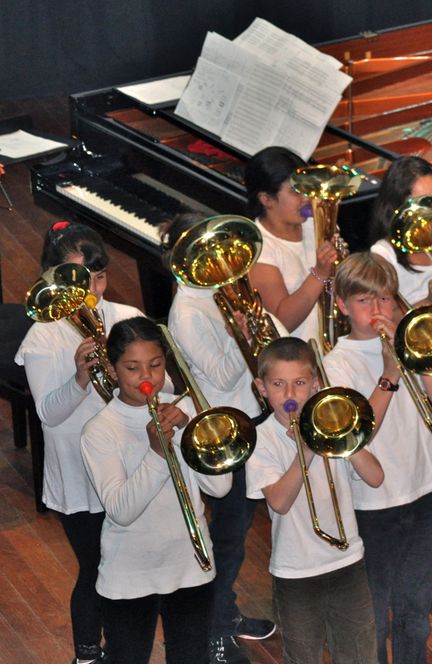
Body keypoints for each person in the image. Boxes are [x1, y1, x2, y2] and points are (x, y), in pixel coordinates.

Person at [15, 221, 144, 664]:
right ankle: (87, 654)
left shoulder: (125, 320)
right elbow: (50, 414)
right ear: (51, 277)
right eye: (79, 280)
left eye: (100, 276)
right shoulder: (42, 336)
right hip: (77, 474)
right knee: (96, 568)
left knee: (125, 566)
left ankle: (123, 648)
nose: (93, 290)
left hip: (123, 465)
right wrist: (80, 377)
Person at [323, 252, 432, 663]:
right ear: (343, 306)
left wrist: (416, 353)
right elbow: (359, 432)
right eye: (364, 302)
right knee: (375, 616)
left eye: (384, 299)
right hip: (373, 505)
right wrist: (390, 374)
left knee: (415, 612)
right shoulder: (335, 364)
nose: (377, 310)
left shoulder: (407, 343)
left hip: (422, 491)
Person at [80, 316, 233, 663]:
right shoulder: (99, 430)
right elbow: (122, 510)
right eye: (132, 368)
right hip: (130, 575)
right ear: (113, 368)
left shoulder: (187, 410)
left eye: (155, 365)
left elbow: (220, 487)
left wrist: (187, 434)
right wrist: (156, 453)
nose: (146, 378)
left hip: (192, 567)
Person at [162, 213, 276, 663]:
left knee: (239, 530)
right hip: (224, 429)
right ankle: (212, 630)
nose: (219, 262)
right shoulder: (186, 310)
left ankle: (224, 613)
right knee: (228, 534)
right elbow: (226, 372)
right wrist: (239, 335)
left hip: (251, 417)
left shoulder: (218, 292)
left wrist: (255, 326)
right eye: (206, 256)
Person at [246, 337, 384, 663]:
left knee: (360, 654)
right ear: (261, 387)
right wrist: (306, 450)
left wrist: (342, 433)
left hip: (348, 562)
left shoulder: (331, 425)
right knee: (303, 656)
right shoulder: (261, 438)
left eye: (300, 383)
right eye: (278, 384)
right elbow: (279, 501)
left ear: (315, 385)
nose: (290, 394)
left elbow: (376, 477)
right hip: (295, 573)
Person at [367, 156, 432, 582]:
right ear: (398, 208)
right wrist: (429, 302)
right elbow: (389, 322)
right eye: (423, 201)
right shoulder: (384, 255)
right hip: (415, 381)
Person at [245, 146, 337, 343]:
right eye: (296, 191)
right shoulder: (259, 250)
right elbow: (282, 321)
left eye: (307, 187)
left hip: (333, 344)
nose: (307, 197)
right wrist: (320, 274)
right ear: (266, 199)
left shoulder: (315, 224)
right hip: (299, 356)